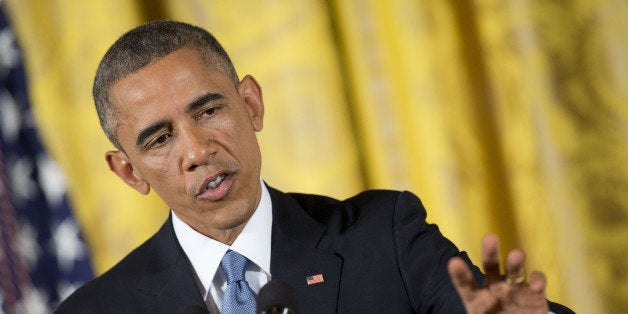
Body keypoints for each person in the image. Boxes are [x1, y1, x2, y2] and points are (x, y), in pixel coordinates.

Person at [55, 20, 573, 314]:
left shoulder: (384, 237)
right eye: (160, 139)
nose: (195, 151)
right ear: (128, 172)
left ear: (251, 105)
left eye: (208, 110)